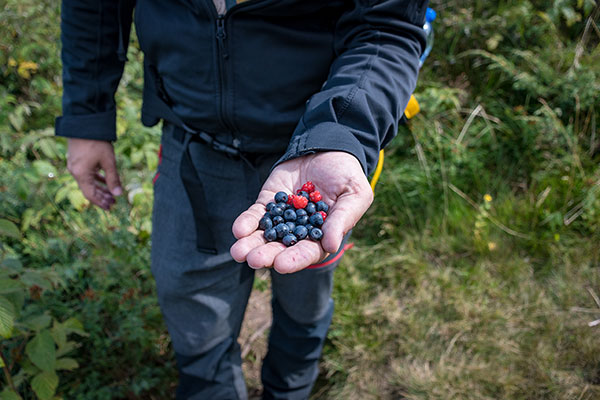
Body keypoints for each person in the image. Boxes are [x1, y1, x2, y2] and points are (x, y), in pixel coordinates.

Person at [56, 0, 428, 398]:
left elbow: (386, 27)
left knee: (306, 300)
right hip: (193, 143)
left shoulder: (317, 180)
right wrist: (87, 116)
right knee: (194, 313)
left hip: (319, 143)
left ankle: (290, 389)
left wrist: (342, 135)